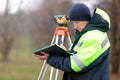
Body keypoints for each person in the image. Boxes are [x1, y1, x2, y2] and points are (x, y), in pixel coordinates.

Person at [34, 3, 111, 80]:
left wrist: (50, 58)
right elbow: (77, 56)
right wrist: (64, 53)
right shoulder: (86, 34)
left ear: (86, 20)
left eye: (77, 22)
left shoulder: (94, 37)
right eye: (73, 22)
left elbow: (75, 65)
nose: (74, 26)